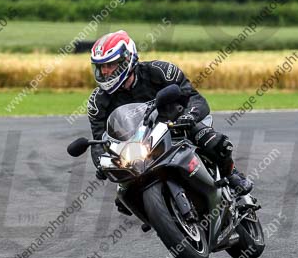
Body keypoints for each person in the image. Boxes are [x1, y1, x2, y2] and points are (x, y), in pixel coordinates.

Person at [86, 29, 253, 198]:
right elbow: (99, 140)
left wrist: (189, 116)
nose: (105, 71)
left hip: (176, 128)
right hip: (136, 148)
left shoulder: (160, 71)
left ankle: (231, 174)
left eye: (110, 64)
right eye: (100, 66)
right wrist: (101, 162)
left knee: (214, 142)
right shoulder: (98, 101)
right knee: (123, 197)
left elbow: (195, 99)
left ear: (127, 59)